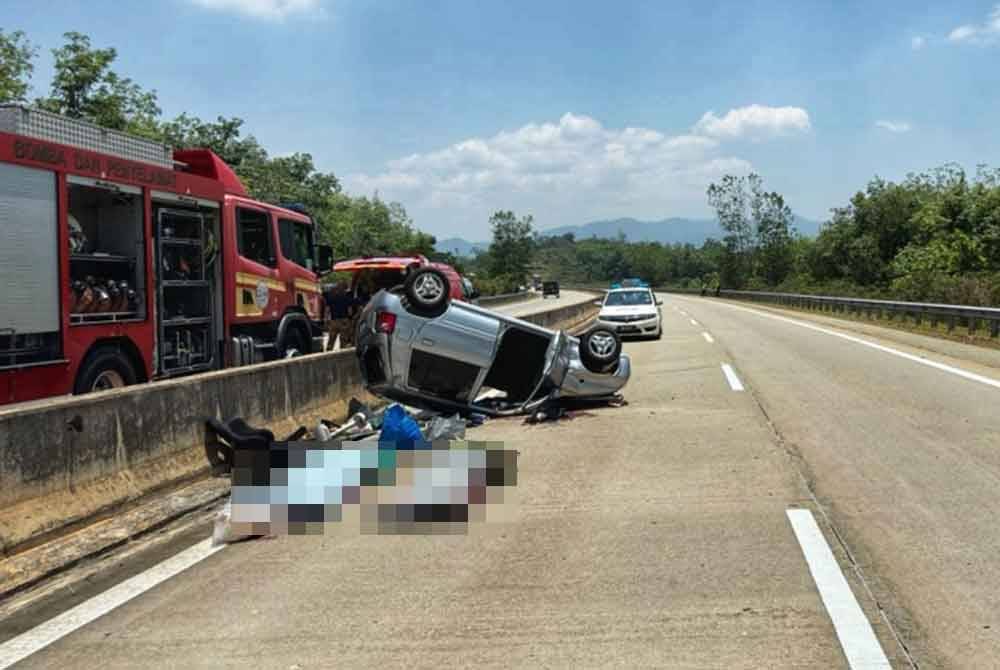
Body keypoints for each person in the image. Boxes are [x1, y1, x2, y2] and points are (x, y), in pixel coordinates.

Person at [323, 282, 355, 350]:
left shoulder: (331, 297)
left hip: (334, 321)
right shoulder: (347, 297)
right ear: (344, 289)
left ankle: (328, 354)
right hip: (344, 321)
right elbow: (350, 311)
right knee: (343, 341)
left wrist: (326, 319)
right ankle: (341, 356)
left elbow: (327, 310)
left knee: (331, 340)